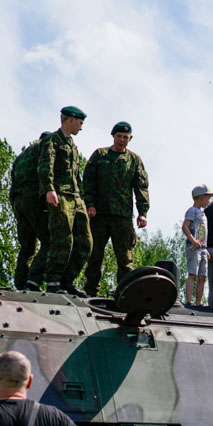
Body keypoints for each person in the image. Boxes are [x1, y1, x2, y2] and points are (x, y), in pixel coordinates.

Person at [81, 121, 150, 297]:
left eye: (125, 137)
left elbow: (141, 187)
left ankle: (126, 294)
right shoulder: (100, 155)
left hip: (122, 216)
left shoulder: (134, 160)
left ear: (130, 138)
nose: (122, 140)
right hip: (99, 215)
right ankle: (91, 291)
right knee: (94, 255)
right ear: (113, 136)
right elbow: (88, 181)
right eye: (119, 136)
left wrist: (143, 213)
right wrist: (89, 203)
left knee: (125, 259)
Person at [38, 105, 92, 296]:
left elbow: (77, 175)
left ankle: (68, 281)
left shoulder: (73, 145)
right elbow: (46, 166)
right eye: (80, 122)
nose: (81, 127)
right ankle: (53, 282)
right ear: (71, 119)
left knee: (86, 242)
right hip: (59, 195)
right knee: (63, 239)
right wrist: (49, 189)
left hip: (76, 198)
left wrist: (83, 199)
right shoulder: (53, 140)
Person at [10, 130, 55, 290]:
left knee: (27, 246)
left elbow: (13, 182)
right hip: (34, 199)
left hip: (18, 201)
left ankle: (21, 283)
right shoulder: (44, 148)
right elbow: (46, 173)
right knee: (50, 240)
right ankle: (33, 280)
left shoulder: (21, 157)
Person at [182, 185, 212, 305]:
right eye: (207, 198)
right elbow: (185, 226)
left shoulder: (203, 213)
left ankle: (198, 302)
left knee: (202, 276)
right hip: (193, 247)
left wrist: (205, 248)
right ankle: (189, 300)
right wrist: (193, 241)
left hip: (202, 248)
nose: (209, 201)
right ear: (200, 197)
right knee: (192, 274)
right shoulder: (192, 211)